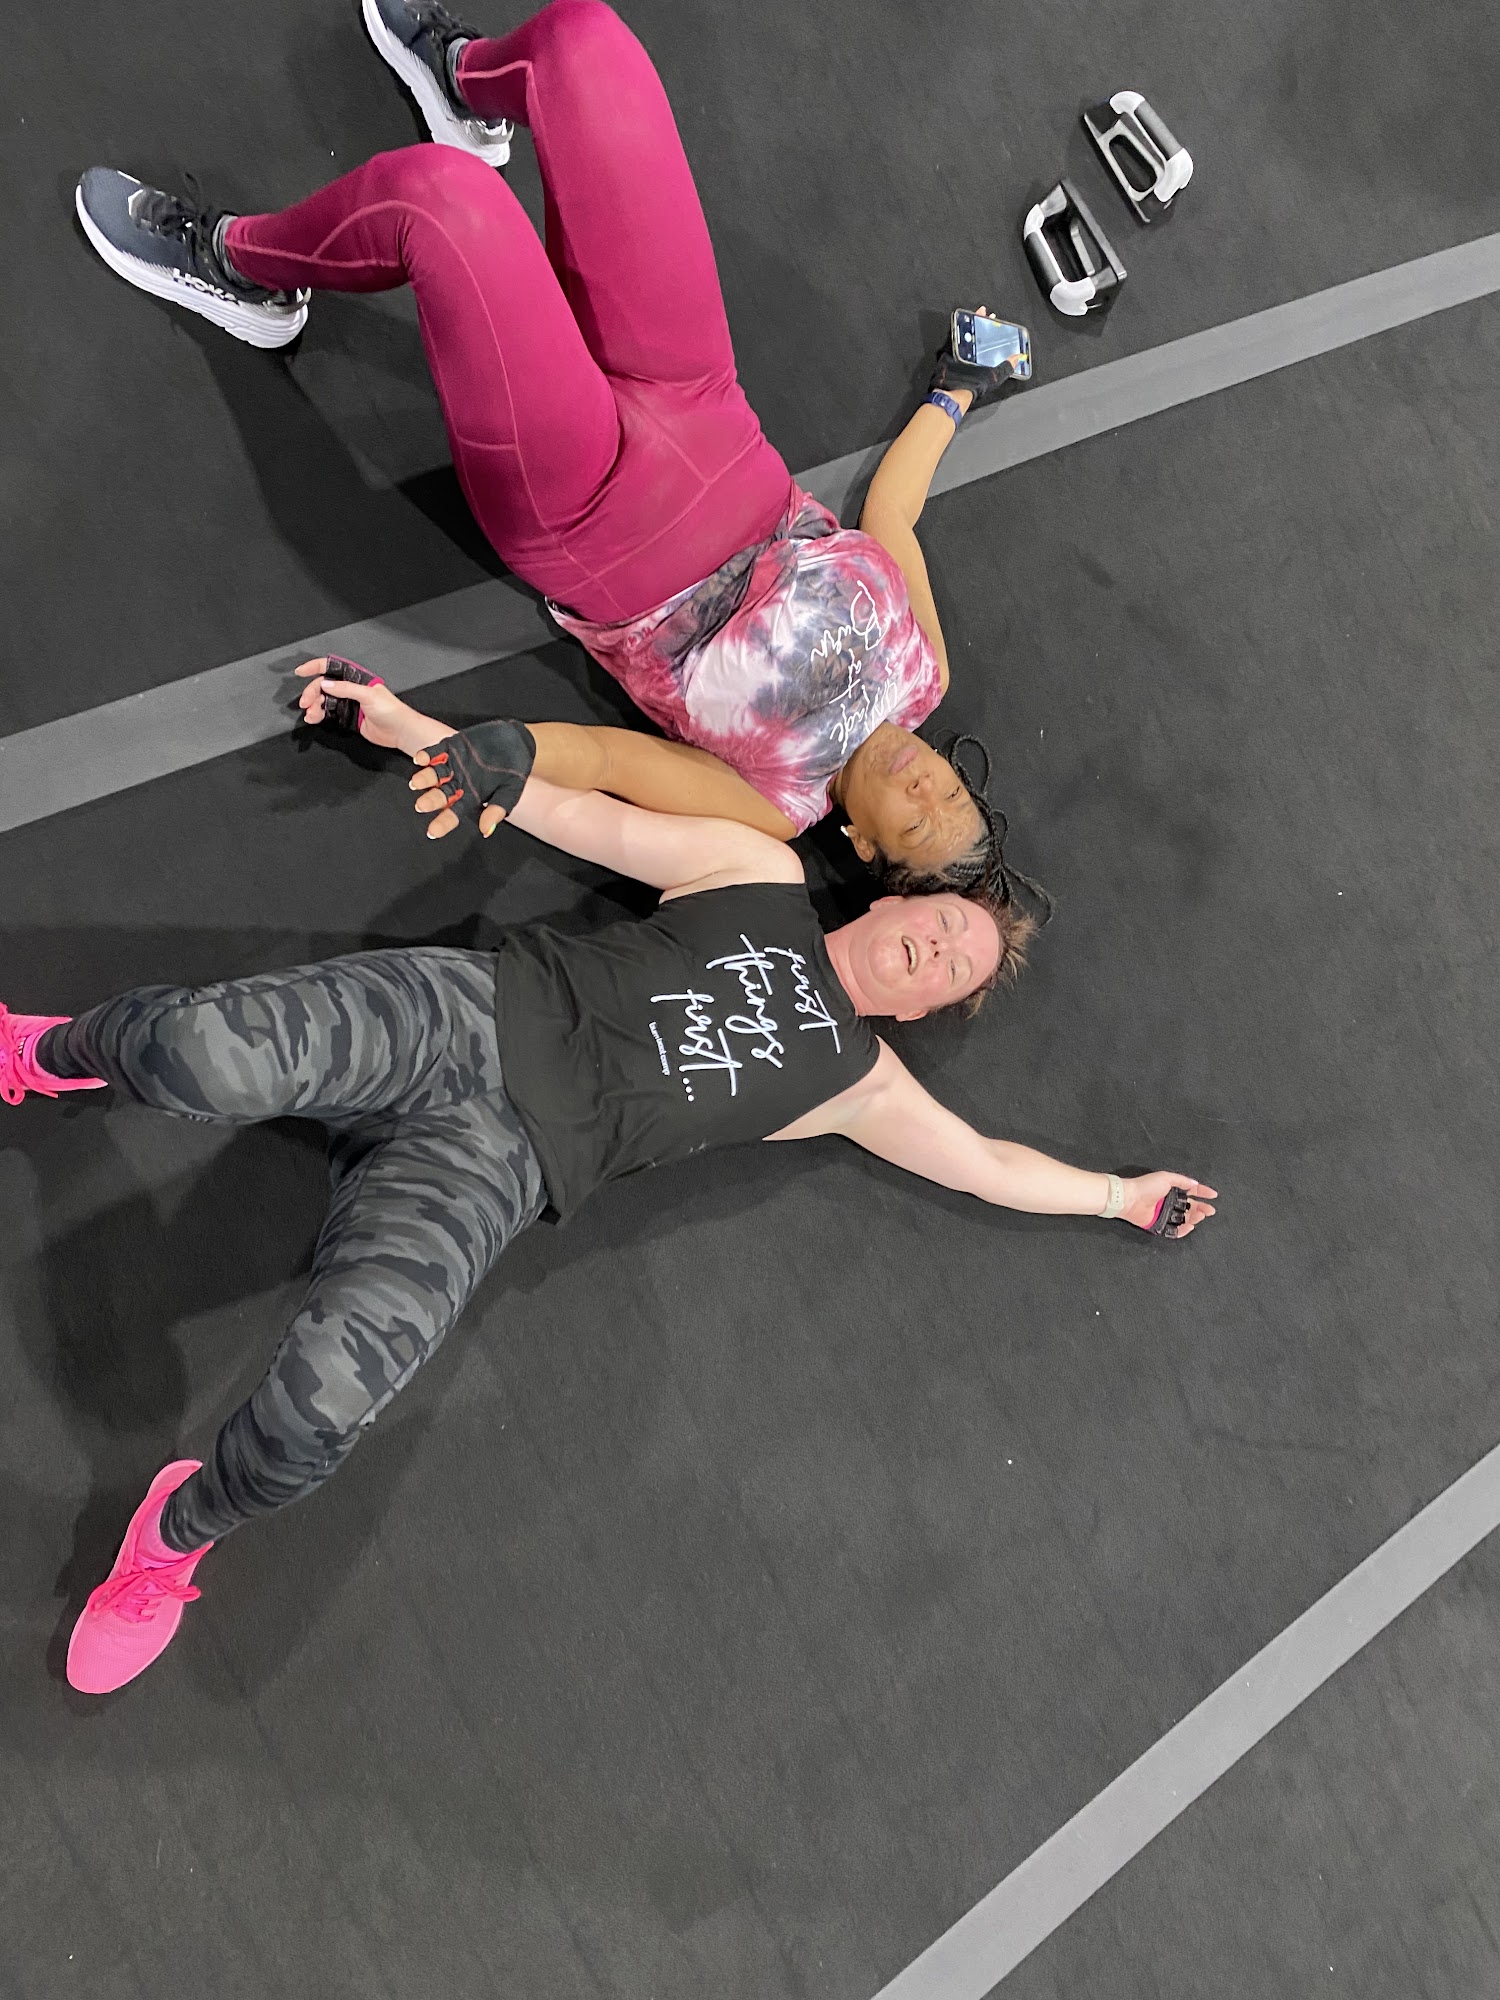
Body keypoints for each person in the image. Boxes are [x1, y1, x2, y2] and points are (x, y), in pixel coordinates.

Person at [2, 737, 1214, 1696]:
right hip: (467, 1013)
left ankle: (171, 1536)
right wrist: (460, 748)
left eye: (954, 966)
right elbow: (598, 819)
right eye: (942, 923)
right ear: (898, 901)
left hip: (497, 1166)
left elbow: (988, 1165)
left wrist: (1122, 1193)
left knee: (316, 1419)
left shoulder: (862, 1084)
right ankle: (44, 1053)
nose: (936, 947)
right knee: (193, 1053)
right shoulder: (762, 876)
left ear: (925, 1009)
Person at [74, 0, 1033, 895]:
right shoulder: (925, 675)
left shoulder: (777, 805)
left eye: (915, 825)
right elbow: (892, 514)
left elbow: (614, 761)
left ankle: (240, 268)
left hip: (594, 519)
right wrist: (956, 391)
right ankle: (464, 85)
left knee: (440, 206)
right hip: (703, 403)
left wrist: (511, 750)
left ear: (862, 844)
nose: (925, 788)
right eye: (950, 791)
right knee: (585, 46)